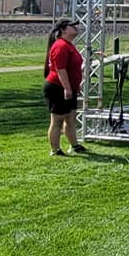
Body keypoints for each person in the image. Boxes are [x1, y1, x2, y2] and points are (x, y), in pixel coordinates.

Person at [43, 18, 87, 156]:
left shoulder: (69, 45)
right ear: (63, 30)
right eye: (72, 26)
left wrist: (75, 86)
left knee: (70, 117)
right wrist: (67, 88)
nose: (76, 27)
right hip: (57, 87)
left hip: (69, 87)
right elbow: (60, 69)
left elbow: (72, 68)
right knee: (57, 120)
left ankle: (74, 145)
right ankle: (55, 149)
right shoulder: (60, 46)